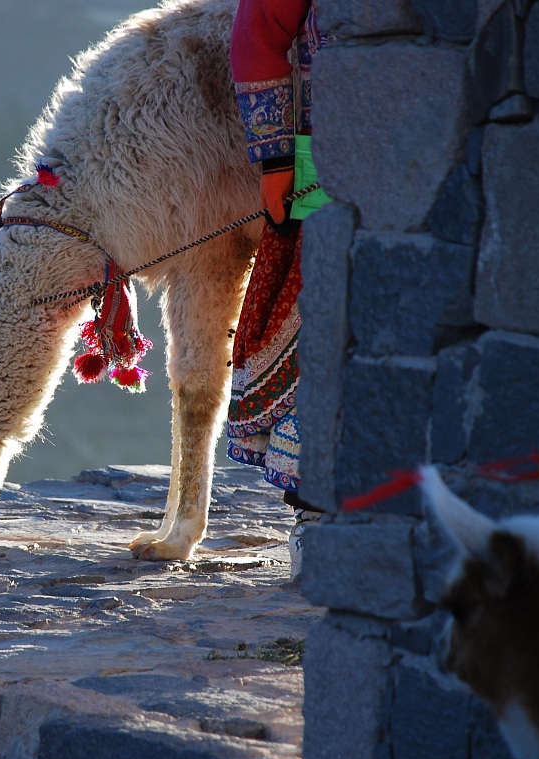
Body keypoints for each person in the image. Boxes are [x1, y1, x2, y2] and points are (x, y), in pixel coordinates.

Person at [226, 0, 330, 580]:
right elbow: (260, 30)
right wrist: (276, 160)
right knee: (324, 332)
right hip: (330, 164)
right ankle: (319, 515)